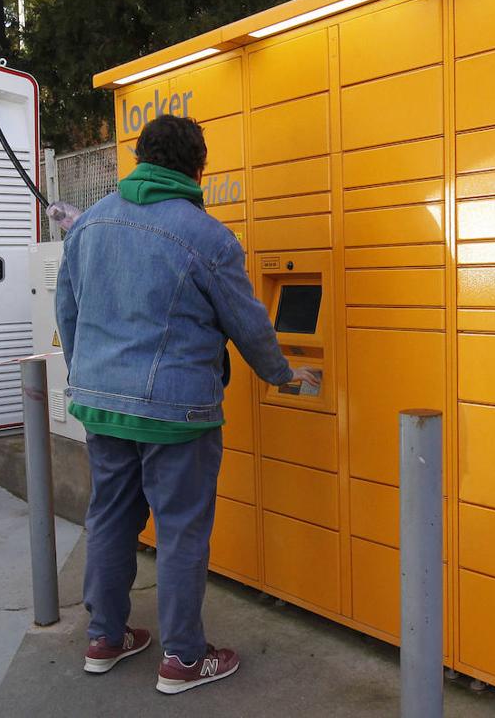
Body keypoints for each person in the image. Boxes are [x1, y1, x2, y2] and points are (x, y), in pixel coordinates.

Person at [56, 114, 317, 695]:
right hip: (177, 414)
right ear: (198, 168)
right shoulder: (207, 237)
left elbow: (68, 314)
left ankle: (104, 637)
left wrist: (91, 376)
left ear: (140, 159)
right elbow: (248, 324)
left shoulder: (89, 225)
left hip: (101, 403)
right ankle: (183, 657)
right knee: (179, 531)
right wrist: (282, 376)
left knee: (109, 517)